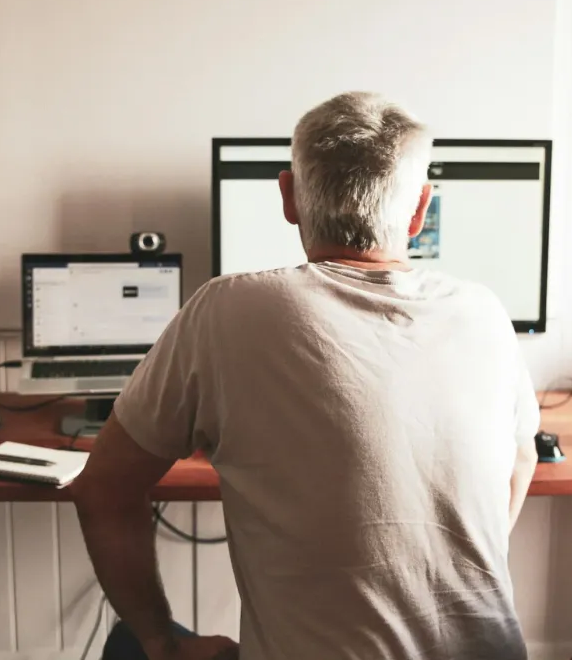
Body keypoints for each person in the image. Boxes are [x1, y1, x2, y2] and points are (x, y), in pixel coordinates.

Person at [70, 91, 541, 660]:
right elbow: (521, 459)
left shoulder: (227, 310)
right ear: (421, 210)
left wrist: (161, 641)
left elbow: (103, 489)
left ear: (287, 196)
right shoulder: (485, 312)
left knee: (128, 647)